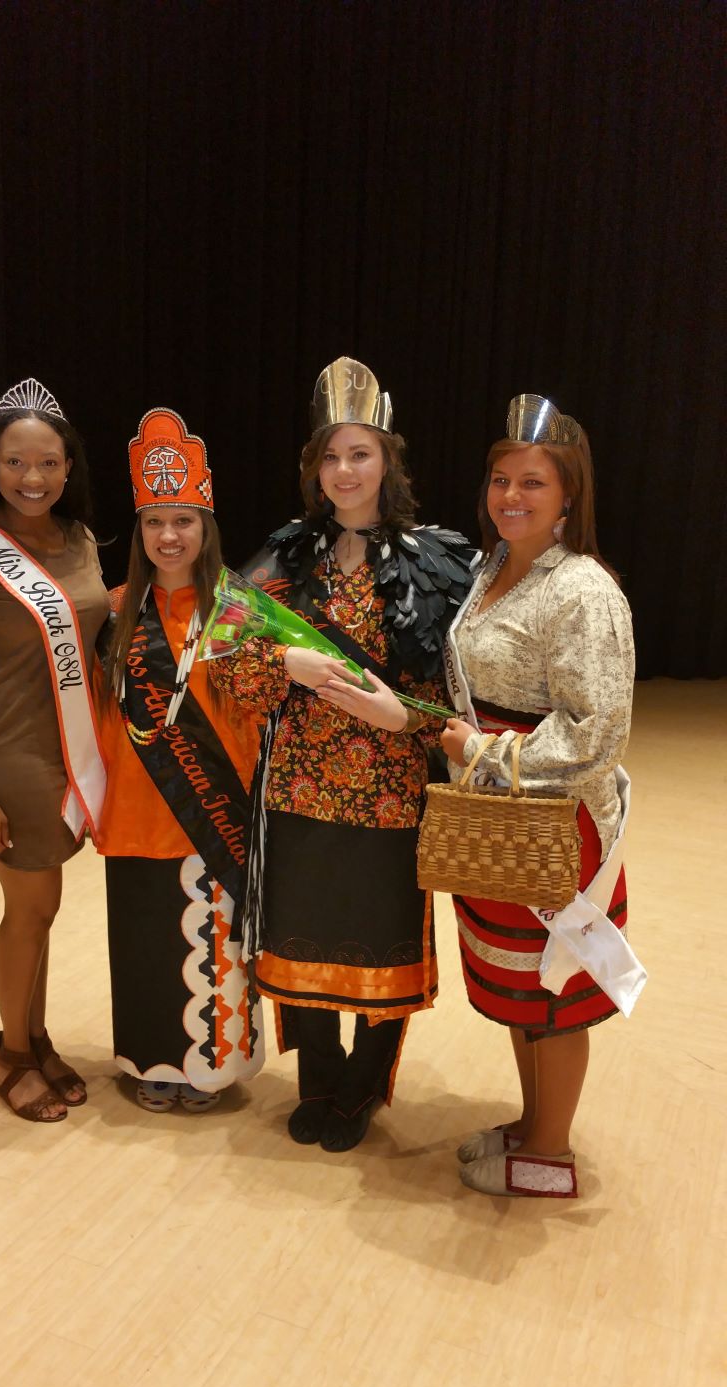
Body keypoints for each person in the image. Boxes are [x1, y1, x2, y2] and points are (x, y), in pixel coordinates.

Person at [212, 357, 477, 1151]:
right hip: (297, 793)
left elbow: (460, 705)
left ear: (388, 461)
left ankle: (363, 1086)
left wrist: (405, 719)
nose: (343, 471)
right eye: (329, 455)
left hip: (391, 798)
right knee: (305, 937)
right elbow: (222, 658)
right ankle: (320, 1076)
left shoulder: (440, 563)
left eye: (359, 454)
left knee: (379, 939)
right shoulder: (284, 556)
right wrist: (283, 663)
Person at [440, 393, 636, 1197]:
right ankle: (531, 1124)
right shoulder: (493, 566)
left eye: (533, 483)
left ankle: (550, 1158)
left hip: (558, 822)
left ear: (569, 496)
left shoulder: (584, 592)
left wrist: (484, 751)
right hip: (499, 812)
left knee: (554, 991)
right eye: (499, 480)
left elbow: (596, 732)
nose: (511, 497)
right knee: (520, 987)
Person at [0, 378, 110, 1122]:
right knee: (28, 908)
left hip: (71, 750)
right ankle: (11, 1052)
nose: (32, 478)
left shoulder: (80, 539)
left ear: (68, 467)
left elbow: (92, 622)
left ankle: (34, 1036)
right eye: (15, 464)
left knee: (44, 907)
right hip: (10, 758)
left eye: (47, 463)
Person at [97, 408, 263, 1113]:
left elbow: (263, 714)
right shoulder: (113, 614)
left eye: (183, 521)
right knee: (143, 949)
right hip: (135, 812)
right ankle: (151, 1062)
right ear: (138, 533)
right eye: (154, 522)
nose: (168, 536)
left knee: (215, 952)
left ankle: (214, 1071)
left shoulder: (241, 610)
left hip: (213, 813)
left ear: (207, 528)